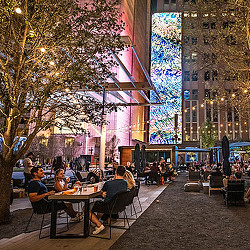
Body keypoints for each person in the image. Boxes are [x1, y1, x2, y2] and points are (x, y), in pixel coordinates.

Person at [90, 165, 128, 235]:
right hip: (119, 206)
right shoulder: (125, 183)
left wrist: (103, 193)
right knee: (101, 203)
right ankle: (95, 221)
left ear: (115, 172)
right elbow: (116, 190)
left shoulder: (108, 183)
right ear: (124, 173)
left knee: (86, 208)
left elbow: (101, 191)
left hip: (107, 206)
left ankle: (99, 225)